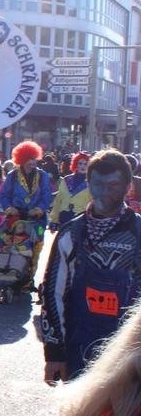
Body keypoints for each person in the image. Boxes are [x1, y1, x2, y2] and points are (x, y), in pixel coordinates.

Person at [40, 150, 141, 383]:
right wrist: (55, 354)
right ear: (88, 184)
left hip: (129, 354)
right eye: (98, 184)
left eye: (114, 184)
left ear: (128, 187)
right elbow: (53, 294)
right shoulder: (72, 233)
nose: (105, 192)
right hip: (78, 349)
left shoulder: (137, 232)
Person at [0, 140, 53, 292]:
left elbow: (46, 196)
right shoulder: (12, 175)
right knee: (11, 245)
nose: (32, 162)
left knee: (36, 247)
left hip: (36, 220)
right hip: (15, 219)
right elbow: (4, 195)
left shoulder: (42, 176)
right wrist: (10, 209)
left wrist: (38, 210)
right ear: (21, 159)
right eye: (29, 159)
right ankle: (8, 274)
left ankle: (28, 279)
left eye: (34, 158)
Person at [49, 153, 91, 232]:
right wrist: (53, 221)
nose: (83, 166)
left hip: (80, 220)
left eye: (85, 164)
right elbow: (58, 200)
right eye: (80, 163)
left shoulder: (91, 183)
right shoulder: (66, 179)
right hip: (64, 218)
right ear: (75, 164)